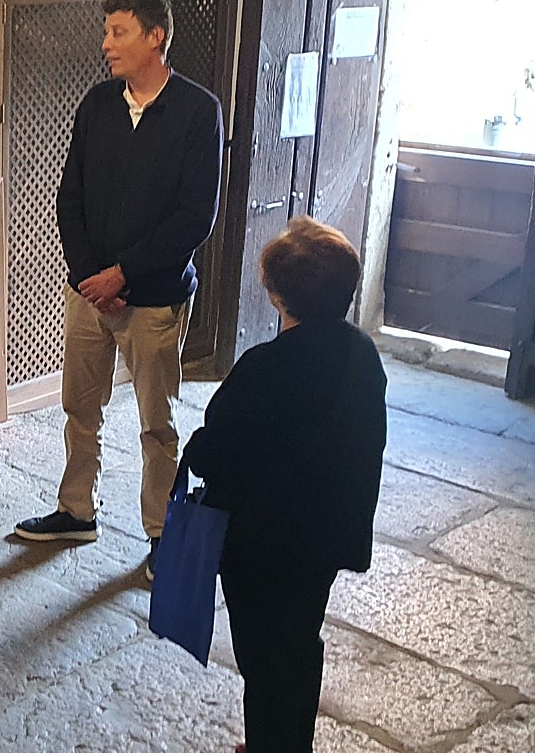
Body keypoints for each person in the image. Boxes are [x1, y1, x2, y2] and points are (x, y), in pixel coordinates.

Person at [14, 0, 224, 579]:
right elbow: (69, 196)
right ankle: (76, 509)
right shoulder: (98, 105)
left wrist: (125, 274)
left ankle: (161, 533)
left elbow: (194, 217)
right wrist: (88, 276)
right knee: (80, 408)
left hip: (153, 297)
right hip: (89, 296)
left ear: (155, 37)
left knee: (157, 425)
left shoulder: (196, 111)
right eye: (107, 31)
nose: (106, 43)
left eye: (118, 31)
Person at [180, 216, 388, 753]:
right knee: (297, 645)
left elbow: (218, 453)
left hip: (263, 546)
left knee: (263, 659)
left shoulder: (264, 367)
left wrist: (195, 449)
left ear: (277, 297)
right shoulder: (361, 354)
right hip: (324, 537)